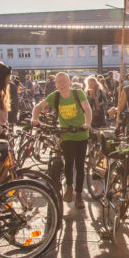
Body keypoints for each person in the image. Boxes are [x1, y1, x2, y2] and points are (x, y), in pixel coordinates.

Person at [32, 72, 92, 208]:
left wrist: (87, 123)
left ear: (69, 82)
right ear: (56, 85)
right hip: (66, 135)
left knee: (80, 166)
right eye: (59, 82)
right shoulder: (55, 96)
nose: (62, 84)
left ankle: (79, 195)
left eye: (64, 81)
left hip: (81, 134)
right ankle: (69, 186)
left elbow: (87, 109)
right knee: (69, 163)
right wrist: (34, 118)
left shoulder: (78, 93)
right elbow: (38, 106)